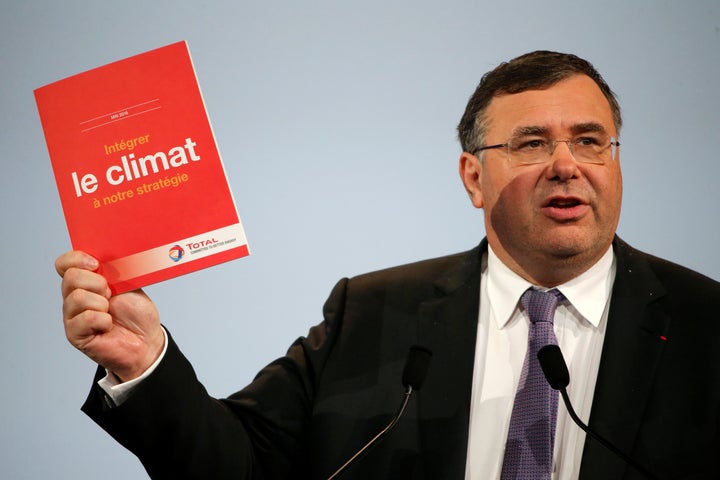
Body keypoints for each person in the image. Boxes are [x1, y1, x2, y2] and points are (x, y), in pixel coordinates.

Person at [56, 51, 720, 479]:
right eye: (530, 144)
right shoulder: (373, 313)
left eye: (590, 141)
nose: (567, 165)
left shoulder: (707, 326)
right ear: (473, 178)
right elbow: (243, 466)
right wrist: (142, 362)